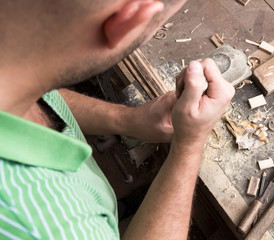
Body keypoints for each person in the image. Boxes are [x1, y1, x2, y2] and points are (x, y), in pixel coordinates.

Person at [0, 0, 235, 239]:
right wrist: (189, 145)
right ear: (131, 22)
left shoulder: (13, 63)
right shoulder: (52, 227)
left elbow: (42, 97)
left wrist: (129, 120)